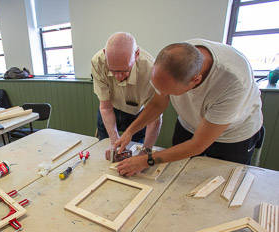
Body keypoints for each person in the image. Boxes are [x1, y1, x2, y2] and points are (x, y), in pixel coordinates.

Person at [113, 39, 264, 177]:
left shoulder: (234, 82)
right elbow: (158, 104)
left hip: (231, 136)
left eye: (169, 93)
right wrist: (130, 132)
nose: (163, 94)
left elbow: (197, 144)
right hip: (189, 123)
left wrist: (146, 160)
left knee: (224, 180)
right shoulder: (173, 60)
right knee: (178, 174)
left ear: (196, 80)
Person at [91, 32, 162, 160]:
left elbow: (154, 117)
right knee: (108, 155)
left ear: (136, 55)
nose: (118, 77)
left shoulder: (151, 70)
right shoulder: (98, 62)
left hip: (137, 115)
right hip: (108, 110)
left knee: (136, 156)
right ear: (104, 53)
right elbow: (106, 107)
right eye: (113, 70)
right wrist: (114, 142)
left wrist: (145, 153)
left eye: (124, 70)